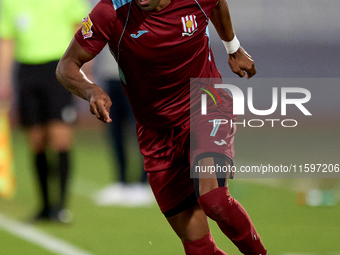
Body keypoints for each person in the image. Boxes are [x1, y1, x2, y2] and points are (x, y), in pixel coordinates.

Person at [56, 0, 267, 254]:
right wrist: (90, 91)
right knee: (198, 247)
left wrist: (232, 47)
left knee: (214, 201)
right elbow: (66, 65)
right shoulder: (110, 11)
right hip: (155, 133)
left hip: (206, 106)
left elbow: (218, 3)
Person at [0, 0, 90, 222]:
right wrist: (4, 80)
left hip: (58, 69)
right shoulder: (10, 3)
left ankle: (61, 206)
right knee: (36, 140)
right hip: (27, 72)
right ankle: (45, 205)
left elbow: (81, 26)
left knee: (60, 137)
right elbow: (7, 40)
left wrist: (83, 65)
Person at [93, 45, 153, 206]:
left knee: (141, 129)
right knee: (114, 128)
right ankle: (121, 181)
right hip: (111, 74)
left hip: (139, 74)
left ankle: (143, 182)